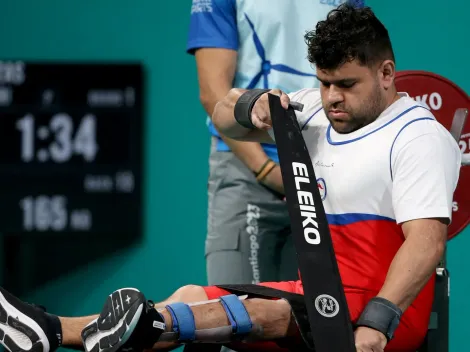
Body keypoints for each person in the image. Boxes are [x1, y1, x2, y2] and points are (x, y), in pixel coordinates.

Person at [0, 4, 461, 352]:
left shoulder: (417, 136)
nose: (331, 97)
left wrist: (378, 322)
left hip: (384, 309)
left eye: (345, 84)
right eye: (323, 82)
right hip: (319, 292)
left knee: (266, 313)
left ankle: (152, 325)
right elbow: (222, 116)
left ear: (386, 73)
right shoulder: (316, 111)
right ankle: (51, 329)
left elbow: (425, 244)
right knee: (192, 295)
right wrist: (250, 106)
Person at [186, 0, 364, 286]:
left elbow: (359, 72)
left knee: (321, 319)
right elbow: (213, 93)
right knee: (235, 313)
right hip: (248, 168)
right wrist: (268, 170)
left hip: (325, 165)